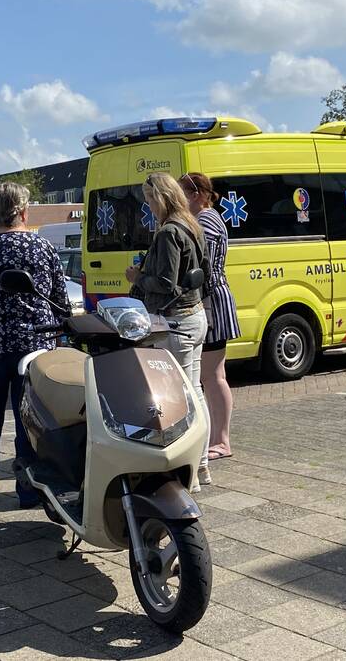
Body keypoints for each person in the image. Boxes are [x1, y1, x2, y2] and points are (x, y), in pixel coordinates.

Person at [0, 181, 69, 508]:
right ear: (22, 211)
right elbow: (59, 299)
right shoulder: (42, 248)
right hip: (34, 345)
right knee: (29, 420)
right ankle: (29, 490)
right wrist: (57, 338)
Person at [125, 172, 211, 490]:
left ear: (160, 197)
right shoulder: (192, 224)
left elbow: (165, 284)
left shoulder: (168, 232)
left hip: (175, 321)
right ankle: (200, 466)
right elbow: (205, 274)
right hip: (196, 315)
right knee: (195, 393)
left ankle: (188, 471)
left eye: (149, 200)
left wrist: (137, 277)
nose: (148, 206)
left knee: (179, 398)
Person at [180, 173, 240, 461]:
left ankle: (222, 440)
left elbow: (203, 267)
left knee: (213, 376)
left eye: (181, 193)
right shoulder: (207, 219)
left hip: (212, 302)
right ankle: (218, 437)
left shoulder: (207, 221)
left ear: (194, 194)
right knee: (211, 375)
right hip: (211, 300)